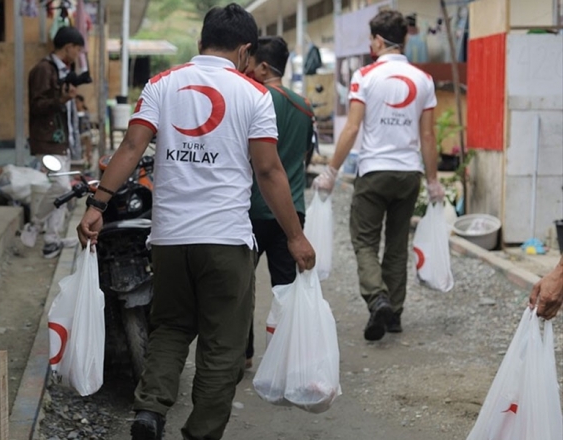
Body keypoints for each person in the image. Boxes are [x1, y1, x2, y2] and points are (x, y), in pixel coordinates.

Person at [76, 4, 315, 439]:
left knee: (169, 327)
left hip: (169, 238)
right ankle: (200, 432)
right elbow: (268, 171)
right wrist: (295, 236)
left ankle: (150, 410)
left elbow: (131, 147)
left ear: (201, 42)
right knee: (223, 345)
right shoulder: (254, 95)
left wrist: (98, 205)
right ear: (245, 51)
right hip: (225, 239)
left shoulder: (161, 84)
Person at [314, 10, 443, 342]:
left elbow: (352, 128)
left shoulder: (365, 76)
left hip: (374, 172)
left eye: (371, 39)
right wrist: (433, 181)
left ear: (379, 40)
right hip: (409, 174)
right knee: (397, 244)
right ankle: (394, 314)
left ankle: (377, 298)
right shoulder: (423, 80)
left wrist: (331, 171)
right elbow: (428, 136)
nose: (370, 45)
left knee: (364, 241)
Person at [244, 36, 315, 369]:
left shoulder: (254, 99)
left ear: (263, 67)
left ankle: (242, 355)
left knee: (241, 286)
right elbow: (305, 156)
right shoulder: (304, 106)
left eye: (249, 63)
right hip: (291, 211)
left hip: (252, 208)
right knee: (285, 287)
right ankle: (284, 359)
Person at [28, 26, 85, 259]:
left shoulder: (64, 70)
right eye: (78, 49)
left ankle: (52, 241)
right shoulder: (44, 70)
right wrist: (62, 99)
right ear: (69, 47)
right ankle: (34, 224)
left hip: (61, 141)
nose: (78, 54)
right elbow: (37, 106)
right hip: (48, 141)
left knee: (65, 191)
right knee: (62, 187)